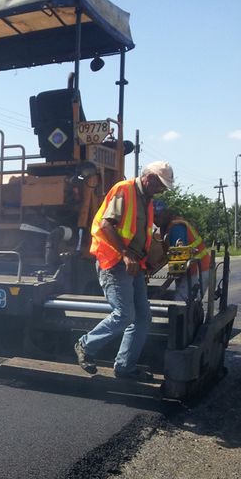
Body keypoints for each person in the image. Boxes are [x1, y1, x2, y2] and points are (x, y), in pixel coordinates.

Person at [74, 161, 175, 381]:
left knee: (143, 318)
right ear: (149, 178)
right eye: (160, 185)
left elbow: (139, 236)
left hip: (134, 264)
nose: (161, 191)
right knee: (125, 315)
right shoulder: (124, 189)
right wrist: (126, 254)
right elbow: (105, 225)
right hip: (114, 260)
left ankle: (124, 367)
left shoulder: (146, 201)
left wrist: (144, 263)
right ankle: (85, 345)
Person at [152, 200, 211, 301]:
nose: (154, 220)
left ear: (166, 213)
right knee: (184, 303)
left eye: (157, 216)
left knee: (184, 305)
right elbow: (170, 254)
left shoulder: (176, 228)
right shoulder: (165, 227)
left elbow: (179, 262)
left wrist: (164, 287)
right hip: (188, 270)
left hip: (198, 269)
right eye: (152, 216)